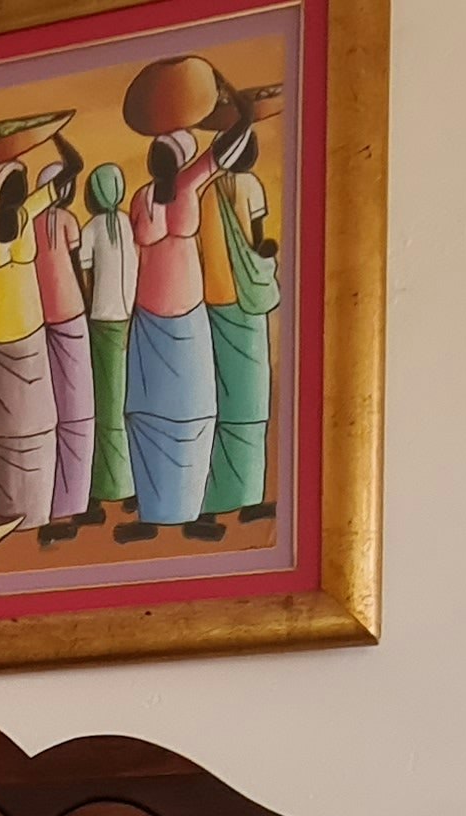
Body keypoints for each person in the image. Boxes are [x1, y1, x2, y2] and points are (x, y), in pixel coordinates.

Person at [119, 131, 216, 538]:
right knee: (146, 414)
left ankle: (189, 509)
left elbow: (219, 153)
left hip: (187, 318)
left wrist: (243, 114)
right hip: (150, 320)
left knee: (194, 412)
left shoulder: (187, 185)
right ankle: (153, 511)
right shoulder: (143, 197)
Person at [0, 160, 57, 532]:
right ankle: (5, 510)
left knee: (37, 426)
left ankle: (34, 509)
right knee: (4, 430)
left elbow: (64, 178)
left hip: (27, 335)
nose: (22, 191)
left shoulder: (22, 214)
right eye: (17, 184)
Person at [201, 126, 281, 525]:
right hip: (246, 301)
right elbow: (258, 244)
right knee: (249, 403)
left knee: (220, 399)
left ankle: (210, 503)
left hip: (214, 296)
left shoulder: (205, 192)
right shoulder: (249, 185)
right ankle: (247, 497)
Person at [32, 137, 96, 537]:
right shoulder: (68, 221)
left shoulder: (29, 224)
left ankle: (53, 503)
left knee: (51, 414)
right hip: (70, 314)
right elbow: (75, 267)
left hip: (40, 318)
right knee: (78, 414)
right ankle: (70, 504)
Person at [81, 161, 139, 516]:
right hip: (130, 318)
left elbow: (85, 277)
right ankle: (129, 484)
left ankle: (108, 487)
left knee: (106, 407)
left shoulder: (91, 229)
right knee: (124, 402)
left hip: (103, 321)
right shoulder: (129, 224)